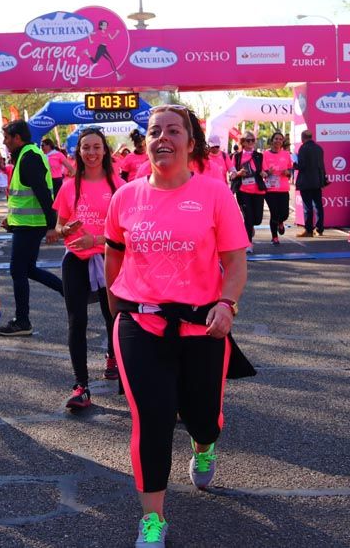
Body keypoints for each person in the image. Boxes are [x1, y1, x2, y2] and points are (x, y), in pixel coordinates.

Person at [103, 105, 251, 547]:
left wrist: (226, 304)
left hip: (202, 325)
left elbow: (235, 262)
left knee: (203, 418)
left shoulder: (214, 194)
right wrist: (117, 310)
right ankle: (153, 518)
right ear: (145, 142)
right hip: (140, 323)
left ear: (190, 142)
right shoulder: (125, 197)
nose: (162, 138)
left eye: (173, 131)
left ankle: (204, 445)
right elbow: (114, 254)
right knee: (152, 419)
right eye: (154, 131)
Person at [52, 127, 124, 411]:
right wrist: (65, 229)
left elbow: (126, 233)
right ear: (78, 152)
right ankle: (81, 386)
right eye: (86, 148)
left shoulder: (119, 186)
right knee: (76, 321)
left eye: (96, 147)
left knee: (113, 317)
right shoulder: (69, 186)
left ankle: (114, 360)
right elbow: (58, 226)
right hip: (75, 259)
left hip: (110, 259)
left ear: (105, 150)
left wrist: (94, 240)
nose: (91, 153)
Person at [0, 120, 63, 337]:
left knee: (18, 270)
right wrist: (11, 219)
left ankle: (23, 321)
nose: (4, 142)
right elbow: (25, 196)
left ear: (17, 138)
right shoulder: (26, 155)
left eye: (7, 138)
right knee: (28, 269)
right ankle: (71, 294)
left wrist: (52, 226)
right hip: (26, 224)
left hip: (32, 225)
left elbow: (43, 193)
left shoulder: (29, 157)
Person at [228, 132, 264, 253]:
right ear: (242, 142)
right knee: (248, 217)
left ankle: (251, 226)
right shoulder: (237, 156)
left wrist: (264, 173)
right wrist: (239, 173)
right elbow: (232, 174)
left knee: (257, 219)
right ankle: (248, 243)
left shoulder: (259, 156)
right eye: (248, 140)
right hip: (243, 191)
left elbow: (263, 170)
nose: (251, 143)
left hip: (257, 190)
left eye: (253, 140)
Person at [293, 129, 326, 237]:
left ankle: (308, 230)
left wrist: (294, 164)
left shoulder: (303, 148)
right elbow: (322, 165)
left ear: (302, 138)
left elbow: (301, 165)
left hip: (306, 181)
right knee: (318, 205)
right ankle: (319, 229)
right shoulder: (319, 148)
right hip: (317, 181)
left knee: (307, 207)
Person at [261, 131, 293, 246]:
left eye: (280, 139)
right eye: (276, 139)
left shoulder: (286, 154)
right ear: (272, 140)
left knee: (284, 214)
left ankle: (280, 222)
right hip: (270, 189)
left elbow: (290, 170)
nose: (278, 141)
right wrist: (267, 172)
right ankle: (274, 237)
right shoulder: (265, 154)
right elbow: (262, 171)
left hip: (283, 188)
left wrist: (287, 172)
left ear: (282, 141)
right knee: (274, 213)